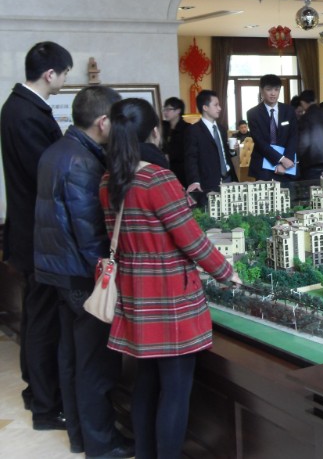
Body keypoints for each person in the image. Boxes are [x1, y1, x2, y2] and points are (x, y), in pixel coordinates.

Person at [99, 98, 242, 459]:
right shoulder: (157, 178)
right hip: (168, 294)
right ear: (154, 131)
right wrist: (227, 272)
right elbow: (191, 239)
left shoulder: (109, 178)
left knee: (146, 383)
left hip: (133, 289)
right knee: (176, 391)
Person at [34, 86, 134, 457]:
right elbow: (90, 234)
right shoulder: (83, 162)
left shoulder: (57, 150)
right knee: (94, 365)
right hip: (81, 276)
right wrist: (107, 277)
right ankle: (101, 444)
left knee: (71, 359)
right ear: (103, 122)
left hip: (57, 270)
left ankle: (80, 437)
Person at [0, 41, 72, 427]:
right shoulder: (26, 112)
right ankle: (46, 406)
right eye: (65, 73)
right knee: (43, 322)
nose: (65, 80)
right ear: (50, 74)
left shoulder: (19, 106)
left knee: (36, 317)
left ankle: (35, 393)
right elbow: (46, 174)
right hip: (37, 235)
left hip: (30, 232)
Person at [184, 90, 237, 207]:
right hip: (209, 182)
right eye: (216, 105)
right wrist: (194, 181)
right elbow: (191, 158)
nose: (220, 108)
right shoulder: (194, 131)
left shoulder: (222, 129)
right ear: (205, 107)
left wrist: (232, 151)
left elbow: (222, 154)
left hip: (229, 178)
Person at [247, 74, 298, 182]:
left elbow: (293, 136)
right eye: (269, 89)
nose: (273, 93)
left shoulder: (289, 110)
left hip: (287, 166)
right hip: (263, 165)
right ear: (261, 90)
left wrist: (286, 160)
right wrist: (281, 159)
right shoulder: (253, 114)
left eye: (276, 89)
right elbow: (260, 142)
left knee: (288, 192)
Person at [161, 96, 189, 184]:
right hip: (164, 169)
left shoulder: (187, 128)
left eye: (168, 109)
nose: (165, 112)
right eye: (164, 109)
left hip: (181, 171)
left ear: (178, 111)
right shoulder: (163, 126)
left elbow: (187, 151)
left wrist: (169, 156)